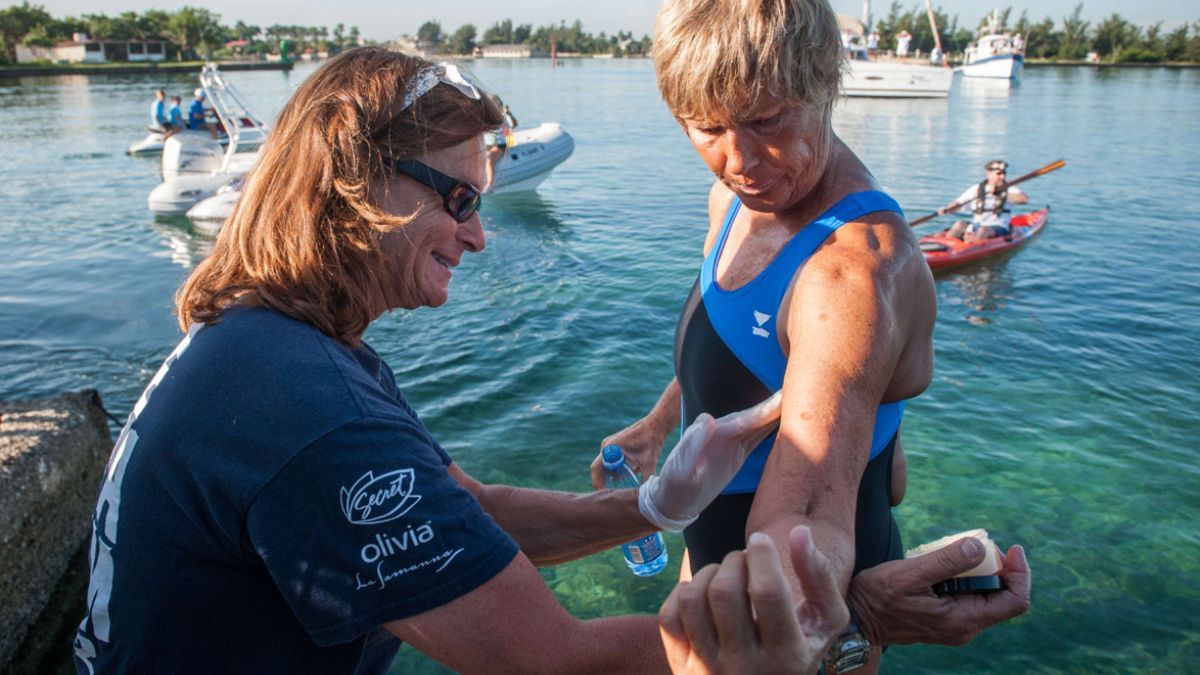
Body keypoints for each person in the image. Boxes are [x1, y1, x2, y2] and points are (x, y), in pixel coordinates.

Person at [72, 47, 787, 674]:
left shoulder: (269, 340)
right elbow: (555, 659)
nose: (477, 237)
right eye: (460, 199)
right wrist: (799, 640)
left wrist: (658, 504)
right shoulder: (312, 412)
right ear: (356, 180)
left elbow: (475, 513)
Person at [597, 0, 1029, 670]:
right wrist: (660, 425)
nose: (739, 160)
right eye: (707, 127)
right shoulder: (735, 200)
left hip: (806, 608)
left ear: (826, 80)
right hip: (712, 555)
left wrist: (835, 618)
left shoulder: (849, 274)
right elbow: (732, 343)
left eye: (766, 120)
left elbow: (802, 519)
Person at [941, 160, 1030, 242]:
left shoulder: (1009, 188)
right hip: (977, 225)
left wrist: (1002, 193)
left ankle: (974, 250)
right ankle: (945, 247)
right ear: (988, 173)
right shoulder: (976, 189)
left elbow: (1024, 199)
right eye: (999, 174)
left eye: (1004, 173)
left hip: (999, 227)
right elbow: (958, 203)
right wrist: (947, 209)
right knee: (959, 225)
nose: (1002, 177)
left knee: (982, 230)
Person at [483, 93, 518, 191]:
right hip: (488, 145)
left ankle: (489, 185)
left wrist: (508, 114)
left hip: (500, 145)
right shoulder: (486, 116)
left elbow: (514, 125)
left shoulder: (503, 115)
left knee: (489, 160)